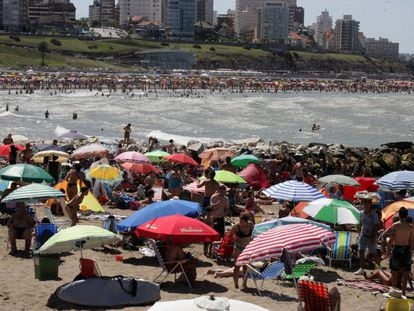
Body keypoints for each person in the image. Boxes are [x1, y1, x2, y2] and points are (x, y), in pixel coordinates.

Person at [388, 207, 414, 296]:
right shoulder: (411, 227)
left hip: (397, 249)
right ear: (407, 215)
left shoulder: (395, 225)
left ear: (399, 215)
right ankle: (403, 292)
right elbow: (411, 241)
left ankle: (394, 291)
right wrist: (410, 253)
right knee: (405, 273)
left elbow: (391, 239)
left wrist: (388, 250)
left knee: (394, 272)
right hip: (406, 249)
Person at [354, 198, 381, 275]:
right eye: (364, 204)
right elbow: (360, 224)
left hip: (371, 236)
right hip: (363, 235)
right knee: (361, 251)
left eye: (367, 204)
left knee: (374, 252)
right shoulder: (361, 213)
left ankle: (379, 266)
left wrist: (373, 237)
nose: (366, 205)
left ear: (370, 205)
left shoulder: (374, 214)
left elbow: (376, 226)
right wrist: (359, 232)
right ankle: (361, 269)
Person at [229, 212, 254, 289]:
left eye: (242, 222)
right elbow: (230, 236)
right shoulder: (236, 226)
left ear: (247, 221)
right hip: (238, 248)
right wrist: (236, 242)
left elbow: (253, 234)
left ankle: (244, 284)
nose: (241, 223)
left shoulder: (251, 225)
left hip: (247, 248)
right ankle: (236, 284)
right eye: (240, 221)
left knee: (245, 267)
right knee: (237, 266)